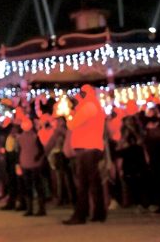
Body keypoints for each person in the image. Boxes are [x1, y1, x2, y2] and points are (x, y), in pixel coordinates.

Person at [63, 85, 106, 225]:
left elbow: (72, 124)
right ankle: (97, 213)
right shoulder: (94, 106)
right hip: (91, 148)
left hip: (87, 149)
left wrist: (69, 115)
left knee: (83, 184)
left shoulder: (88, 107)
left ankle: (81, 214)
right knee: (93, 183)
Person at [17, 117, 47, 217]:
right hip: (34, 164)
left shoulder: (20, 138)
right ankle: (41, 208)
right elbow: (41, 150)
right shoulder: (35, 136)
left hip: (25, 163)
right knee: (37, 186)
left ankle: (30, 209)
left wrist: (19, 163)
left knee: (28, 186)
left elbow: (19, 151)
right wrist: (37, 157)